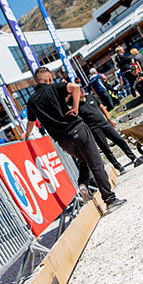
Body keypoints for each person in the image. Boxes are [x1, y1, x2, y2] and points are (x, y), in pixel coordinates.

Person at [23, 67, 125, 210]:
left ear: (36, 81)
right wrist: (75, 108)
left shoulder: (31, 101)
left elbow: (31, 123)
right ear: (50, 78)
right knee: (96, 163)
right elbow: (75, 87)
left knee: (83, 159)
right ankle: (110, 200)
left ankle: (83, 184)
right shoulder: (54, 87)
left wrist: (26, 136)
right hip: (76, 129)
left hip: (63, 141)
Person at [78, 91, 143, 171]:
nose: (82, 91)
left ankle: (134, 159)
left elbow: (102, 107)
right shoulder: (77, 107)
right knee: (106, 148)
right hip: (95, 129)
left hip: (105, 124)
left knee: (120, 140)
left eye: (81, 89)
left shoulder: (91, 97)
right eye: (79, 90)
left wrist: (109, 119)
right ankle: (119, 167)